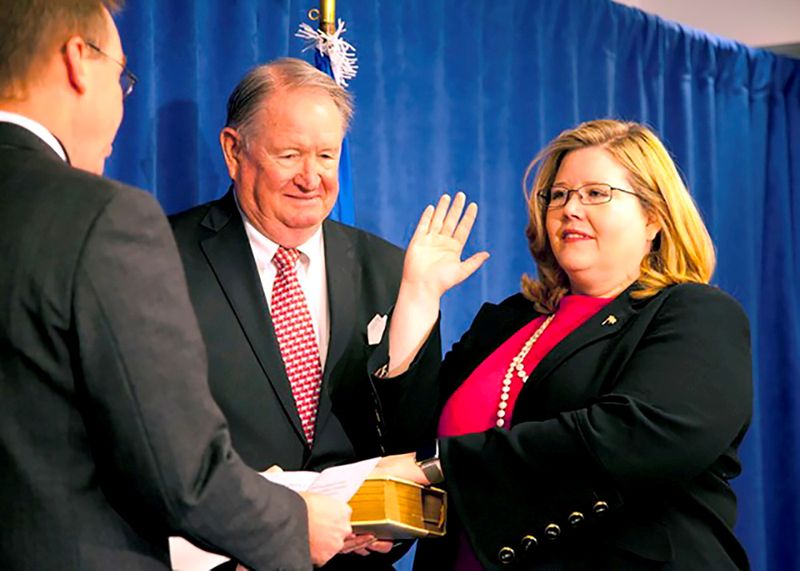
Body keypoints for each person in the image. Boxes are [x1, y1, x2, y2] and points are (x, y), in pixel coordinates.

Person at [0, 2, 353, 569]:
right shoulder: (104, 220)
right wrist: (293, 521)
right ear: (76, 63)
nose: (121, 103)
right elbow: (180, 474)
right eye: (121, 78)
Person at [377, 119, 753, 570]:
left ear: (654, 215)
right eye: (559, 195)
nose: (570, 209)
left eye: (596, 193)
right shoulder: (508, 321)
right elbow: (405, 439)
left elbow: (635, 437)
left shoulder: (696, 313)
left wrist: (443, 465)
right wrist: (419, 296)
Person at [169, 57, 487, 568]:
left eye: (326, 155)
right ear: (234, 151)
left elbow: (409, 443)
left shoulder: (390, 270)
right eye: (289, 154)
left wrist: (417, 310)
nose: (310, 178)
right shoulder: (162, 256)